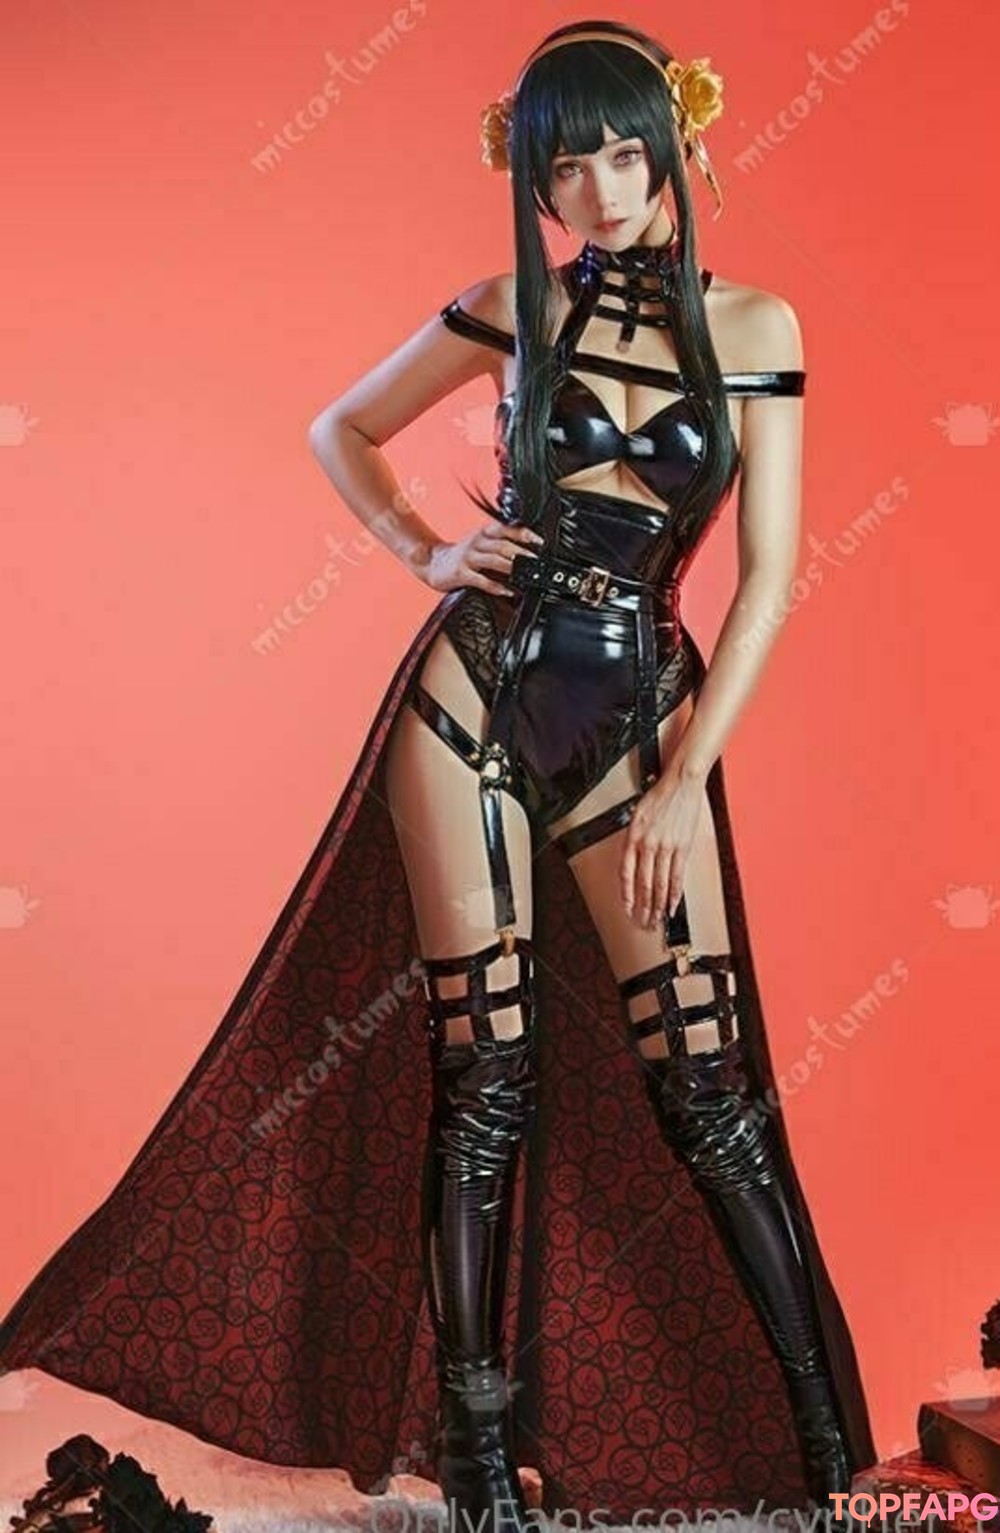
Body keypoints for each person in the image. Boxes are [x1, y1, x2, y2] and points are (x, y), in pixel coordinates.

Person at [0, 19, 877, 1529]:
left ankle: (832, 1462)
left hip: (638, 719)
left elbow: (770, 579)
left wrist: (684, 783)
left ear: (678, 144)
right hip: (471, 700)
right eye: (568, 167)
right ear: (534, 181)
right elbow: (340, 428)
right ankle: (476, 1474)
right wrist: (422, 548)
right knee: (486, 1082)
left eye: (626, 153)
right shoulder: (511, 308)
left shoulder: (758, 325)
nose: (603, 191)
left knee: (709, 1092)